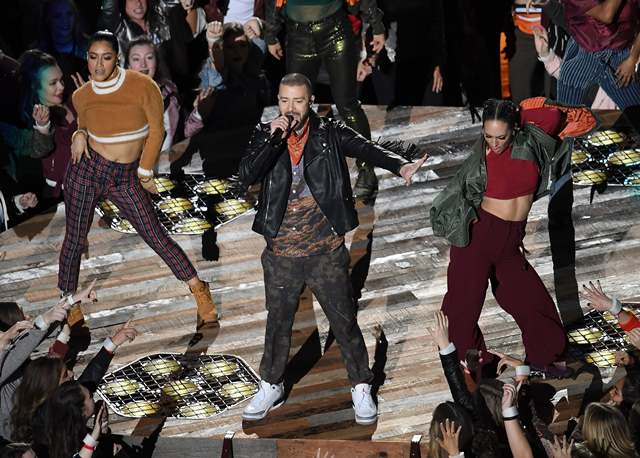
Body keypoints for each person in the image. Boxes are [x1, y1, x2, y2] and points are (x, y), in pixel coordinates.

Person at [238, 73, 426, 424]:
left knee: (344, 320)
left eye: (297, 101)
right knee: (278, 322)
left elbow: (366, 147)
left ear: (310, 103)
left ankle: (360, 385)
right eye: (284, 101)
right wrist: (273, 140)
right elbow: (247, 174)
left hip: (325, 249)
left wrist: (400, 165)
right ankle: (272, 383)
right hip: (281, 251)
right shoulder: (267, 134)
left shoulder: (328, 134)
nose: (290, 109)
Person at [60, 31, 218, 327]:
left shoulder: (142, 86)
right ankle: (69, 301)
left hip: (125, 175)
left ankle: (198, 287)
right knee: (75, 238)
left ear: (116, 59)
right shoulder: (81, 95)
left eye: (105, 58)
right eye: (92, 58)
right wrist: (80, 133)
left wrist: (145, 170)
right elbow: (85, 121)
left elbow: (157, 131)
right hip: (87, 170)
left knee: (155, 234)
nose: (98, 65)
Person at [430, 98, 597, 377]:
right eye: (488, 135)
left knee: (533, 303)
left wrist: (515, 110)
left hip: (510, 242)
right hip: (479, 237)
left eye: (501, 136)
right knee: (463, 310)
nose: (494, 142)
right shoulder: (483, 157)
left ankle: (548, 364)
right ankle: (476, 373)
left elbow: (550, 113)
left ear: (515, 128)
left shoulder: (530, 142)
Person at [264, 0, 386, 201]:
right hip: (298, 35)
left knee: (347, 104)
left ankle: (366, 170)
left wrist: (377, 24)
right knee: (294, 107)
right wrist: (270, 34)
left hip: (335, 31)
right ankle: (290, 172)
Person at [11, 318, 137, 443]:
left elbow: (88, 382)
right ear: (50, 387)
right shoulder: (52, 430)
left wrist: (113, 342)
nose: (72, 373)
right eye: (65, 374)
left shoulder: (52, 402)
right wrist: (100, 432)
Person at [15, 50, 77, 200]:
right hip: (63, 196)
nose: (61, 87)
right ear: (35, 87)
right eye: (52, 83)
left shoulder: (72, 100)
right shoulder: (35, 122)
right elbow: (41, 148)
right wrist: (42, 126)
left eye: (61, 80)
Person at [125, 36, 181, 152]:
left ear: (157, 63)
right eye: (136, 59)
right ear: (128, 67)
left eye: (149, 58)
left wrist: (199, 114)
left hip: (166, 166)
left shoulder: (170, 95)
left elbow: (183, 132)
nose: (143, 64)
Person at [38, 381, 110, 458]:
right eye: (91, 396)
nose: (94, 400)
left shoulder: (68, 430)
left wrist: (102, 424)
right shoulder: (64, 444)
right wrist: (94, 437)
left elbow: (93, 444)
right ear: (82, 411)